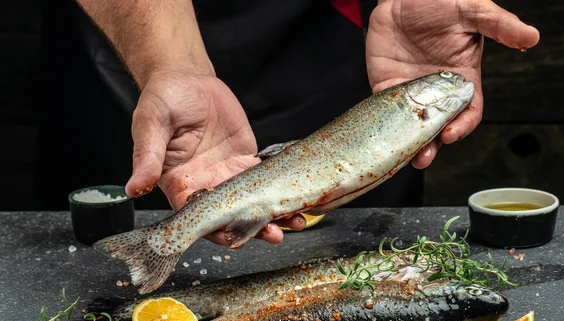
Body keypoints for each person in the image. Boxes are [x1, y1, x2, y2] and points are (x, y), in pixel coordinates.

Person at [70, 0, 539, 248]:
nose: (449, 83)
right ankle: (158, 242)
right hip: (140, 30)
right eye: (442, 82)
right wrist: (170, 63)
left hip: (336, 45)